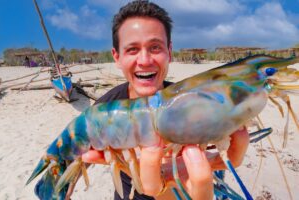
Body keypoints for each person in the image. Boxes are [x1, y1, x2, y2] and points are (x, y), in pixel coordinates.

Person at [81, 1, 249, 199]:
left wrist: (219, 165)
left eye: (155, 47)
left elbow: (213, 159)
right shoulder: (102, 109)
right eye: (132, 49)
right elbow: (77, 160)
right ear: (116, 56)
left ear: (169, 51)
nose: (144, 60)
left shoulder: (194, 105)